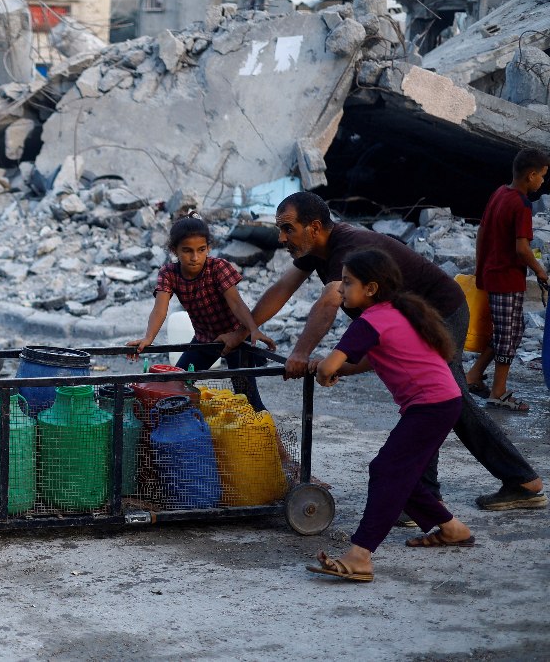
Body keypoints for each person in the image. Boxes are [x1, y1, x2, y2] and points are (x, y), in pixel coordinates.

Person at [219, 191, 544, 511]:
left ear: (315, 227)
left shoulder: (348, 247)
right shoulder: (315, 250)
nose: (280, 237)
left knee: (434, 398)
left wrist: (302, 353)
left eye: (287, 228)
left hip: (439, 312)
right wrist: (242, 331)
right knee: (439, 400)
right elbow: (282, 289)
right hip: (403, 321)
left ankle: (459, 492)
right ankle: (505, 483)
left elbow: (331, 299)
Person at [307, 249, 474, 583]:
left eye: (348, 283)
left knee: (387, 470)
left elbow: (329, 366)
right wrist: (337, 369)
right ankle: (453, 529)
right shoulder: (394, 311)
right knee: (399, 472)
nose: (340, 290)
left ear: (370, 288)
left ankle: (360, 555)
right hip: (443, 401)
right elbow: (371, 360)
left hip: (431, 405)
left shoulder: (367, 322)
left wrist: (324, 370)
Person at [127, 214, 276, 410]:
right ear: (175, 250)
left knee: (248, 397)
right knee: (176, 383)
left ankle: (272, 439)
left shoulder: (217, 267)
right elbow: (160, 308)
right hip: (205, 339)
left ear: (209, 248)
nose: (195, 257)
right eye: (187, 251)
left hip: (235, 337)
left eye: (201, 250)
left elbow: (237, 304)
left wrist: (252, 329)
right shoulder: (169, 273)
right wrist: (148, 338)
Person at [465, 148, 550, 412]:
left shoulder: (500, 193)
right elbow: (522, 248)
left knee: (510, 331)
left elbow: (481, 232)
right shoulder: (521, 204)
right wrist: (540, 271)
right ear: (531, 175)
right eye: (543, 176)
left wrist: (480, 269)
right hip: (507, 279)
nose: (543, 182)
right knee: (507, 335)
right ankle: (498, 393)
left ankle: (473, 375)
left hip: (493, 274)